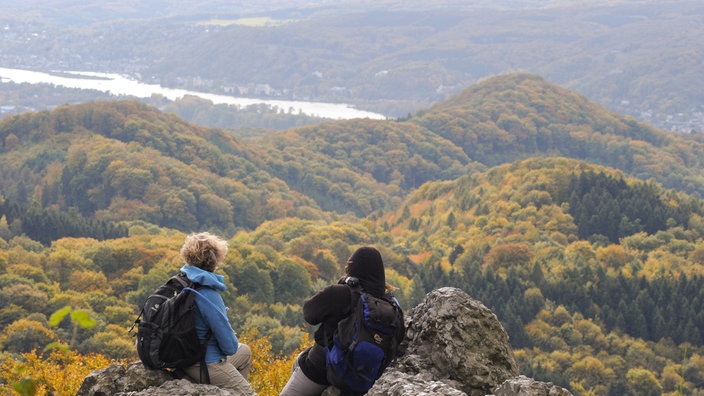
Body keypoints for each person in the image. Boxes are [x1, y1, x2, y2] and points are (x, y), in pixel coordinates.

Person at [279, 246, 404, 396]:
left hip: (321, 369)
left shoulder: (341, 293)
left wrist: (341, 285)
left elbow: (309, 313)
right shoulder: (391, 306)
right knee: (300, 359)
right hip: (363, 377)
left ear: (353, 269)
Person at [178, 232, 256, 395]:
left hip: (182, 357)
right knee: (247, 393)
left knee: (245, 352)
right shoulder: (208, 295)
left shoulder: (182, 283)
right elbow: (230, 347)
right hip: (203, 363)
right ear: (214, 261)